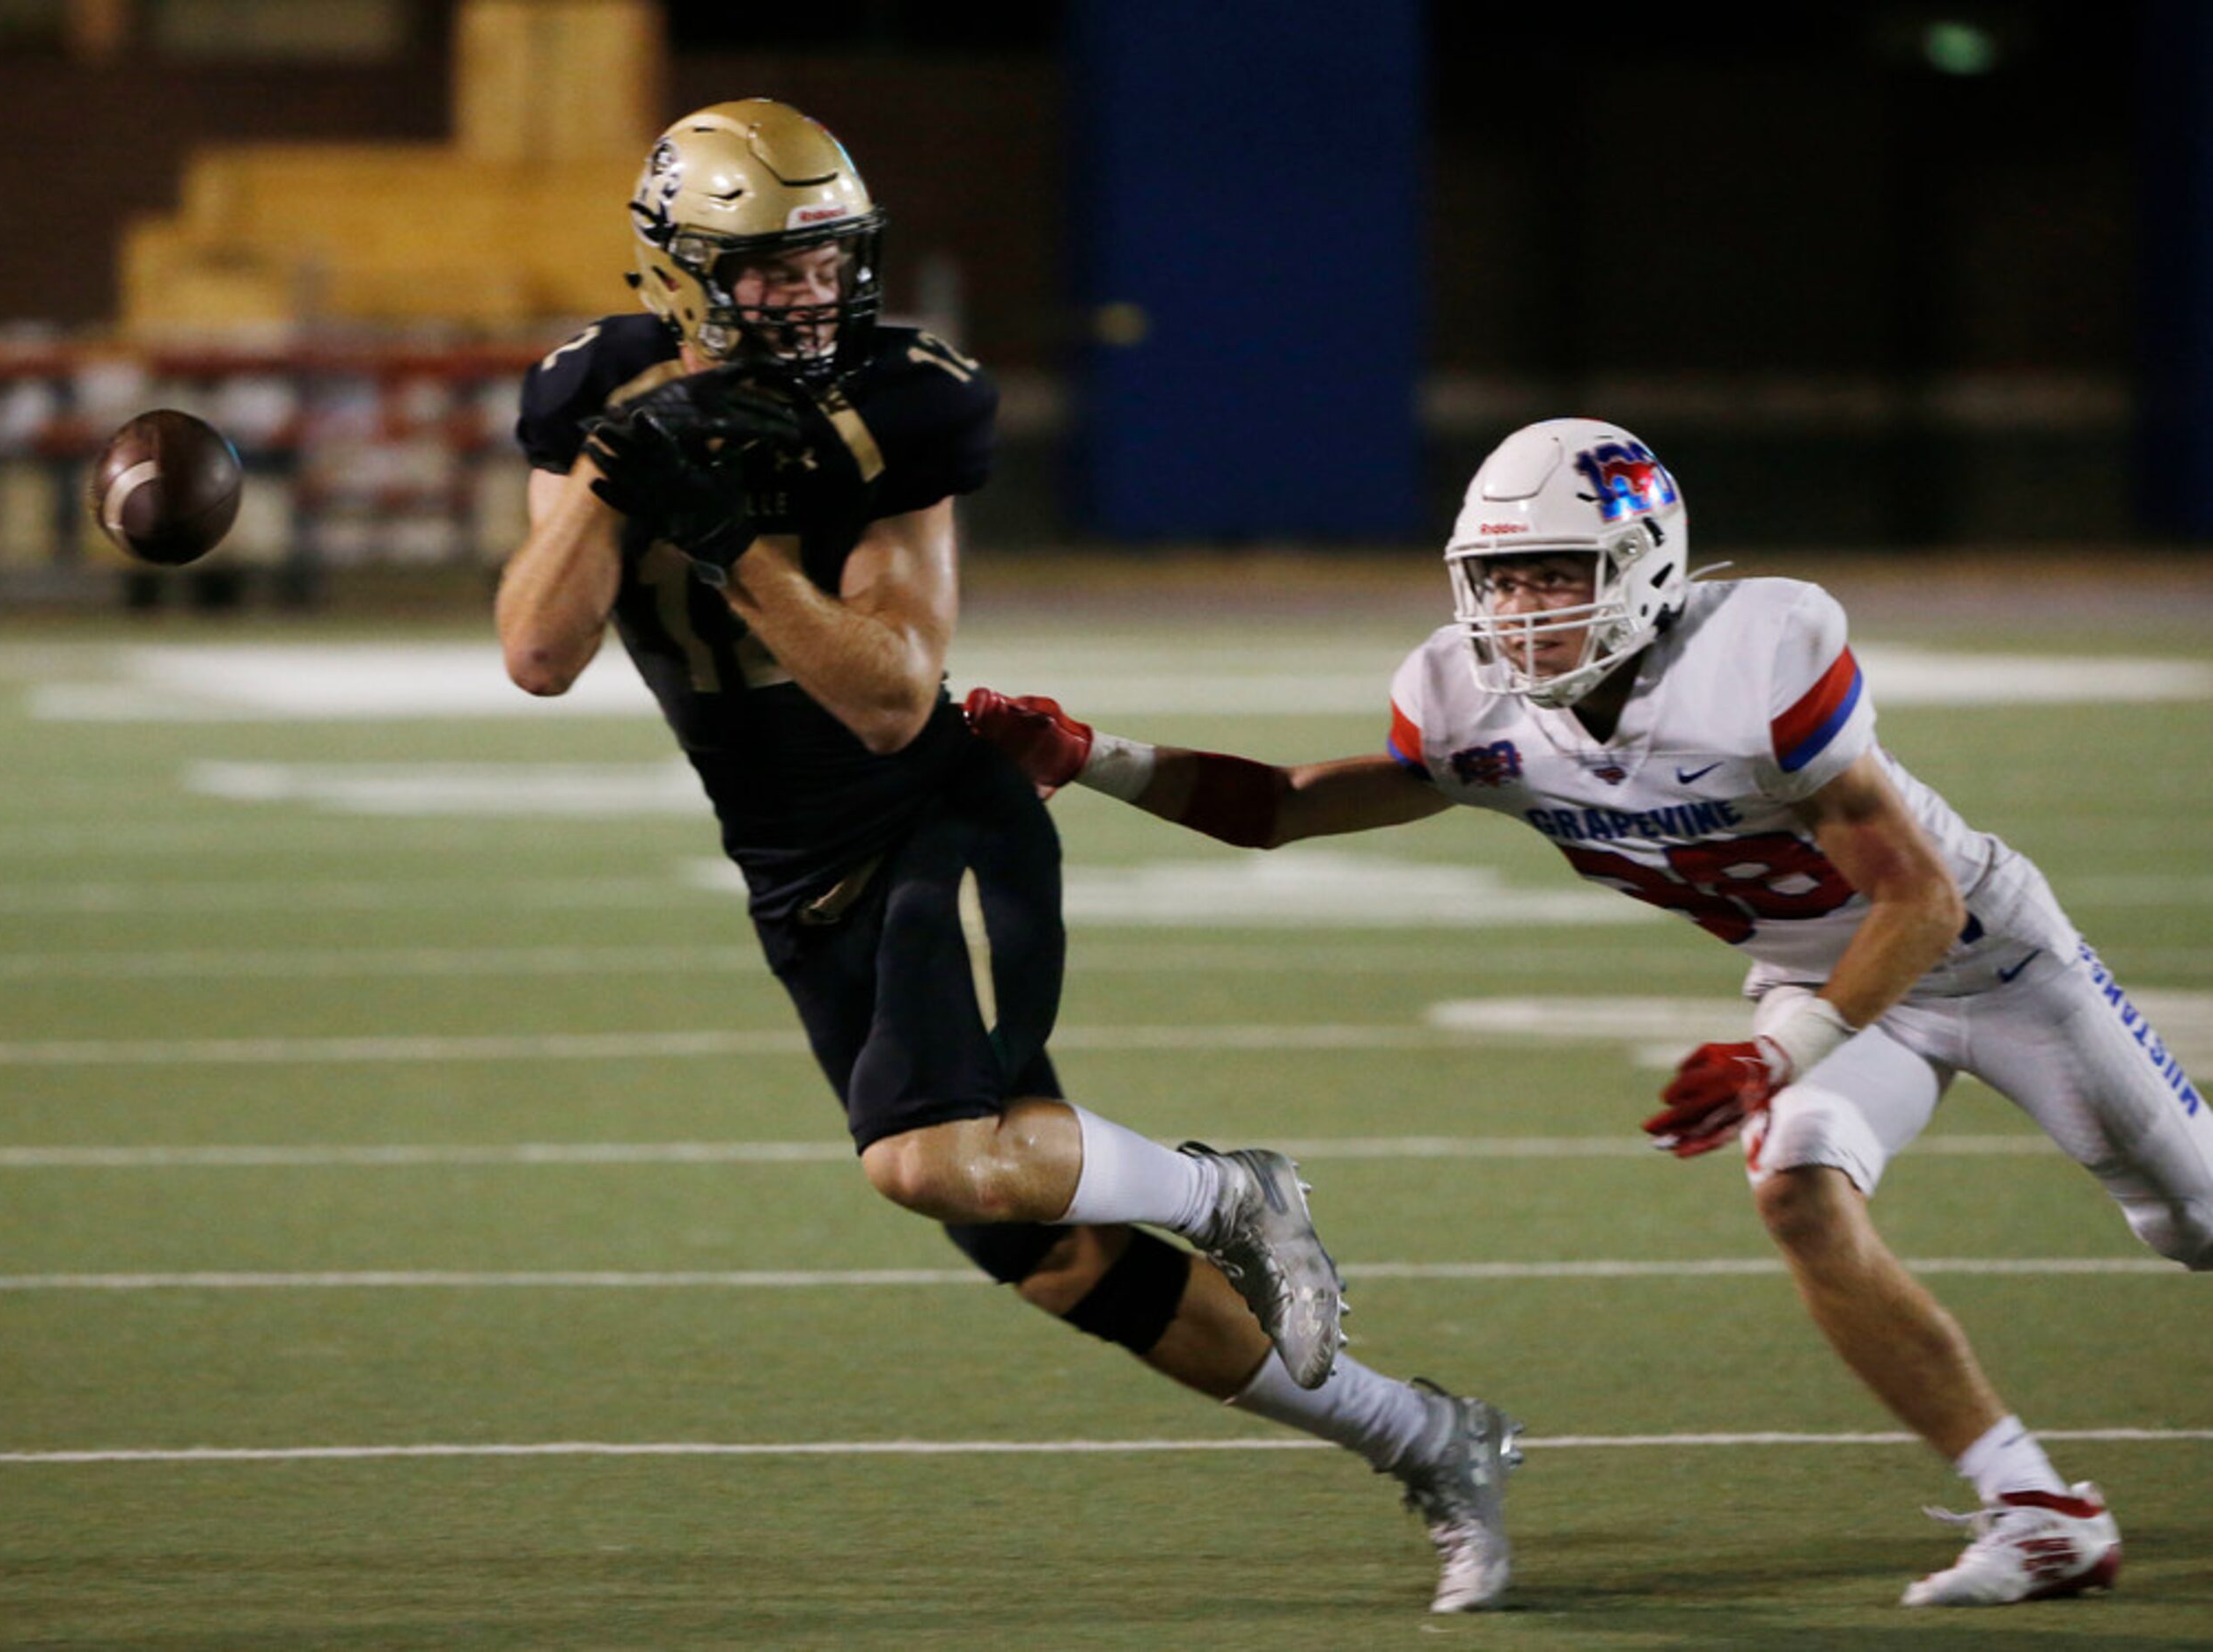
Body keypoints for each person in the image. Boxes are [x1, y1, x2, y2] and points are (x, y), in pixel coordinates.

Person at [494, 97, 1523, 1613]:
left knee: (921, 1157)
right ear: (680, 270)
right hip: (784, 859)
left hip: (927, 810)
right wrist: (615, 467)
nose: (812, 295)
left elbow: (893, 694)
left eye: (828, 260)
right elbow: (536, 650)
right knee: (1043, 1256)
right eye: (771, 269)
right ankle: (1428, 1436)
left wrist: (735, 540)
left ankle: (1220, 1187)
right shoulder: (599, 388)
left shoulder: (904, 400)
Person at [967, 415, 2213, 1609]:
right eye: (1500, 580)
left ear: (1645, 562)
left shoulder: (1754, 654)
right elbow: (1287, 803)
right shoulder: (1477, 705)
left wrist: (1779, 1050)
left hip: (1992, 962)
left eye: (1556, 572)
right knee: (1794, 1181)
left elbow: (1921, 902)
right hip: (1810, 986)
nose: (1523, 610)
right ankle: (2037, 1508)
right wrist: (1092, 755)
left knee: (2192, 1220)